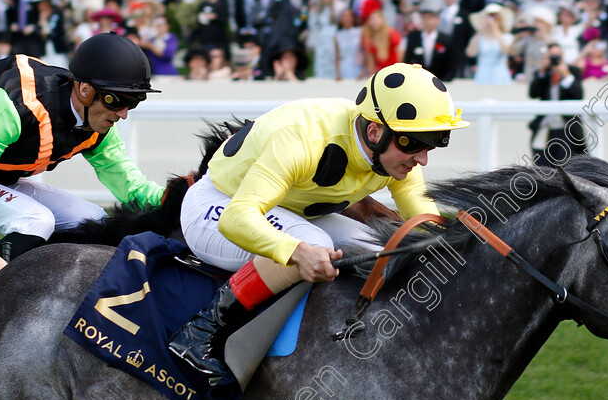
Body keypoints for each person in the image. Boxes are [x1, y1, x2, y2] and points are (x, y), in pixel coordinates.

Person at [169, 63, 470, 381]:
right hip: (219, 207)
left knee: (380, 248)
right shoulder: (303, 139)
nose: (422, 158)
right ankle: (199, 331)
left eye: (434, 141)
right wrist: (296, 252)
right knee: (315, 246)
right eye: (413, 143)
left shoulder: (395, 154)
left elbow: (425, 225)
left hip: (289, 212)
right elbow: (237, 218)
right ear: (374, 131)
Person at [0, 32, 163, 311]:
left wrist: (180, 194)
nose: (123, 114)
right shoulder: (14, 104)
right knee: (36, 219)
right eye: (117, 101)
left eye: (133, 102)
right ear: (85, 90)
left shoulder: (98, 126)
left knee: (93, 218)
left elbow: (133, 187)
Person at [528, 43, 585, 167]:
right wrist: (542, 72)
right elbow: (533, 93)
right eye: (551, 56)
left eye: (557, 56)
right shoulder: (543, 73)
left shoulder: (572, 71)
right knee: (542, 165)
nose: (554, 60)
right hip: (546, 126)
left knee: (565, 166)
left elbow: (578, 95)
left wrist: (565, 75)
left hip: (565, 128)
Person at [403, 0, 455, 81]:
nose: (427, 21)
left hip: (440, 82)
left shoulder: (446, 39)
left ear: (438, 19)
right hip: (418, 81)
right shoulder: (413, 37)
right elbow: (407, 60)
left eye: (430, 17)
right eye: (424, 17)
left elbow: (451, 65)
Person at [465, 3, 515, 85]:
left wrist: (495, 29)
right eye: (489, 16)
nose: (492, 19)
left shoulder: (507, 37)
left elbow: (507, 51)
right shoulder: (480, 38)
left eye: (495, 16)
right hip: (482, 75)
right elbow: (470, 53)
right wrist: (480, 30)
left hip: (500, 75)